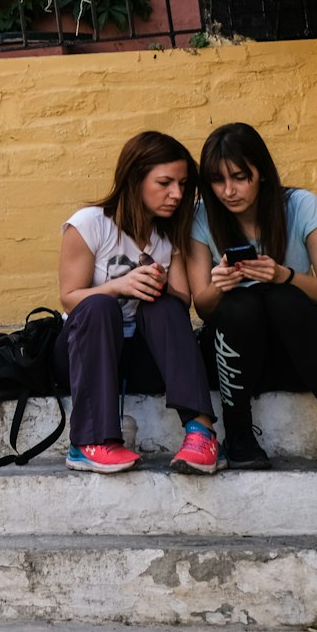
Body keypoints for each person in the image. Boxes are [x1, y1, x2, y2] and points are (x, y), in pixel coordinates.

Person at [187, 123, 317, 475]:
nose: (228, 191)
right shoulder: (202, 216)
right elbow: (203, 308)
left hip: (297, 357)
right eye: (217, 181)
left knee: (284, 297)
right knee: (241, 303)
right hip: (235, 361)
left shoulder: (301, 206)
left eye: (240, 177)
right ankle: (238, 436)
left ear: (262, 173)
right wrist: (220, 285)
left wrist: (285, 275)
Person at [51, 130, 221, 476]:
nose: (176, 194)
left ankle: (201, 433)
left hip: (142, 358)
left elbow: (182, 303)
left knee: (164, 305)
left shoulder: (169, 234)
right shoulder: (90, 224)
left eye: (183, 184)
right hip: (84, 354)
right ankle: (88, 443)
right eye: (165, 183)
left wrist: (158, 285)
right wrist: (119, 286)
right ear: (135, 178)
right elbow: (69, 298)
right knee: (99, 306)